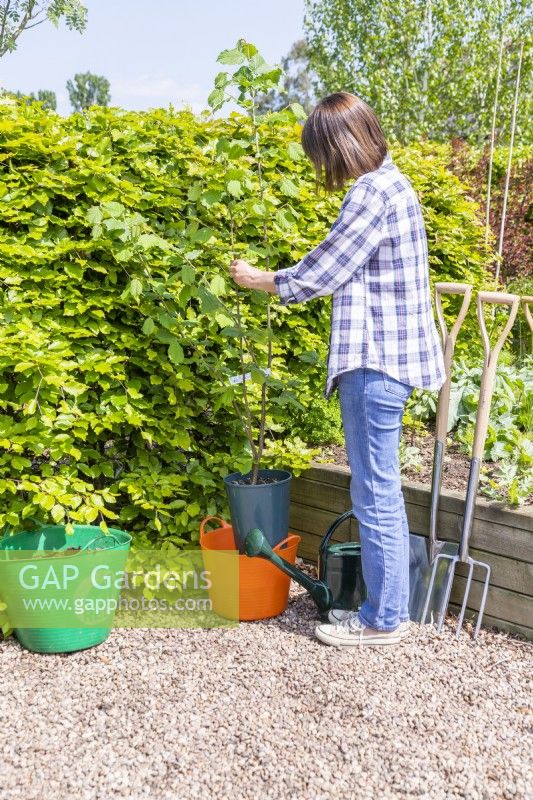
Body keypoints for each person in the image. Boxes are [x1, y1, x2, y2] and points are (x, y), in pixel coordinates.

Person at [229, 92, 445, 647]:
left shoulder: (371, 192)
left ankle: (381, 620)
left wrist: (261, 279)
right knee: (382, 490)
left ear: (341, 145)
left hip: (373, 363)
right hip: (388, 363)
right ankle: (389, 611)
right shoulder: (397, 184)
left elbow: (328, 265)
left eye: (322, 156)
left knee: (373, 492)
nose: (323, 169)